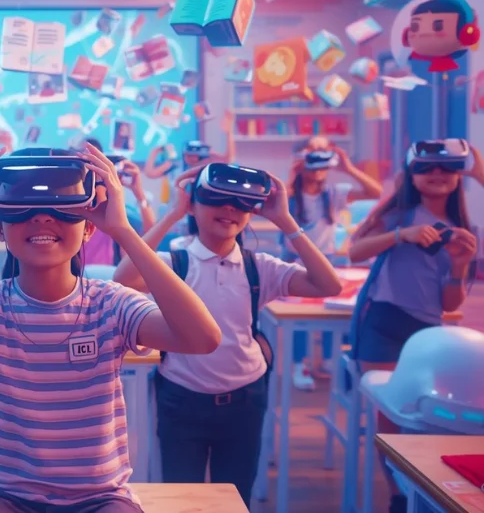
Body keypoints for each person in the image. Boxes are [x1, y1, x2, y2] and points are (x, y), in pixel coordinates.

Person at [0, 143, 222, 512]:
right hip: (1, 492)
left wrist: (124, 232)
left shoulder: (111, 303)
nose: (43, 219)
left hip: (99, 496)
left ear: (89, 229)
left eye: (62, 211)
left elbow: (203, 338)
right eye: (23, 211)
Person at [114, 165, 341, 509]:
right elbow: (125, 278)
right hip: (181, 397)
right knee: (180, 499)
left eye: (242, 203)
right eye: (217, 199)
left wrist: (285, 220)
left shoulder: (259, 266)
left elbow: (328, 285)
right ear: (194, 204)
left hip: (244, 399)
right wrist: (174, 212)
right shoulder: (175, 262)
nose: (230, 209)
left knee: (236, 498)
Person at [348, 140, 477, 513]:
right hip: (383, 322)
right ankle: (399, 495)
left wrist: (459, 266)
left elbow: (450, 303)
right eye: (426, 168)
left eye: (448, 168)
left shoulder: (463, 228)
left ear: (459, 175)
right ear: (412, 174)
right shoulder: (399, 214)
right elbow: (354, 251)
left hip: (428, 333)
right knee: (391, 415)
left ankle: (424, 493)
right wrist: (400, 236)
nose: (437, 175)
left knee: (428, 417)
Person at [284, 138, 382, 391]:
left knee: (328, 313)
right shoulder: (290, 195)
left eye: (322, 156)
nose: (318, 163)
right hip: (295, 261)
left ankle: (327, 360)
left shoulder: (333, 194)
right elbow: (269, 204)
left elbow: (376, 192)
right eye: (311, 156)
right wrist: (292, 174)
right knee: (300, 319)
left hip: (327, 260)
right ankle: (299, 365)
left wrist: (348, 167)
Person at [80, 138, 155, 265]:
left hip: (109, 276)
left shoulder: (117, 213)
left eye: (91, 164)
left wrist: (139, 193)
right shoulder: (67, 206)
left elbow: (150, 238)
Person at [143, 109, 236, 180]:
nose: (192, 157)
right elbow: (150, 173)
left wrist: (229, 133)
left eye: (196, 153)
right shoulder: (176, 165)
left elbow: (227, 160)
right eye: (189, 152)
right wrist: (154, 152)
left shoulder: (205, 164)